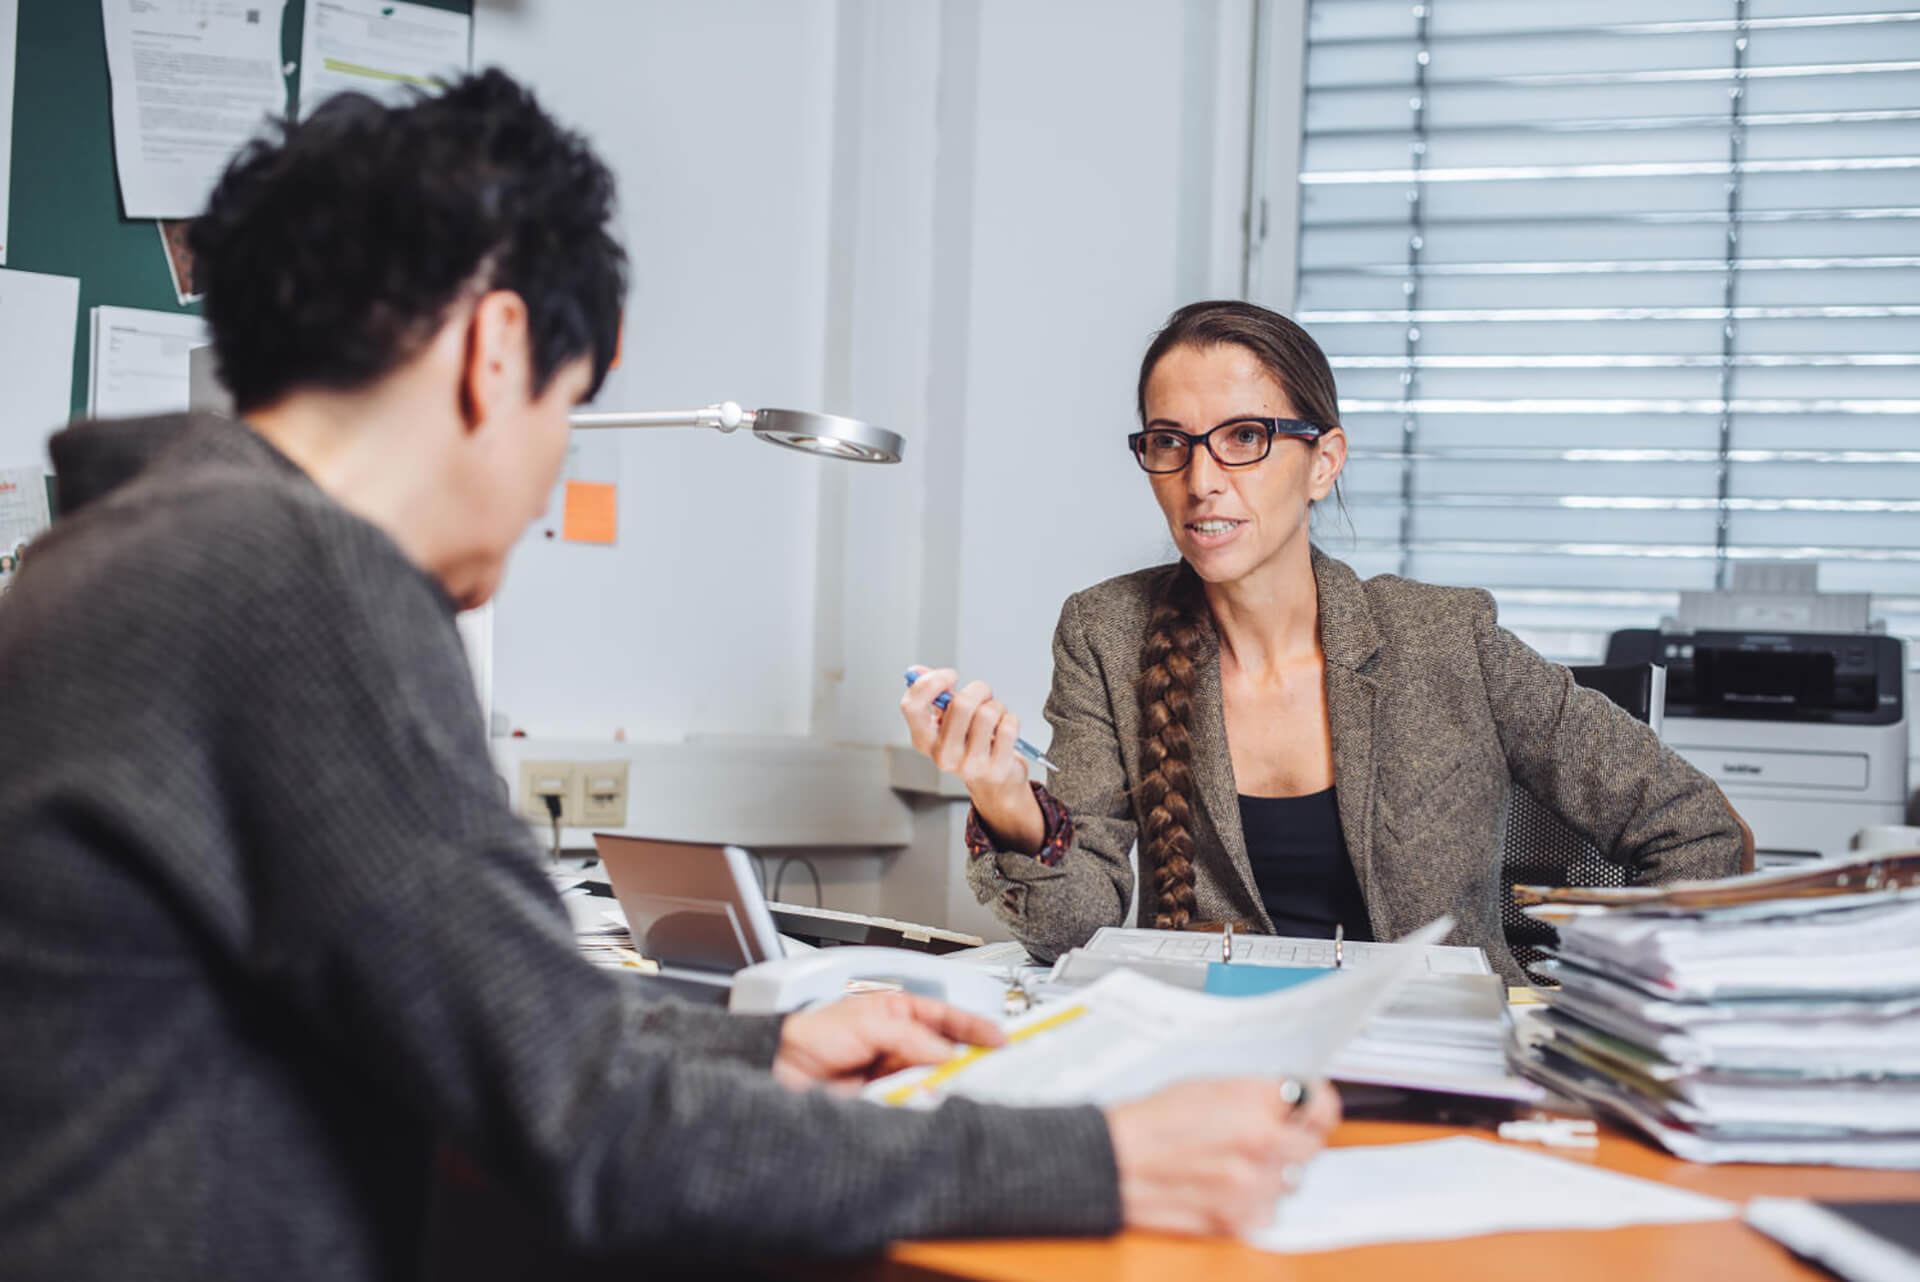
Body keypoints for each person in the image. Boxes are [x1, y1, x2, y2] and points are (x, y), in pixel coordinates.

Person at [0, 77, 1338, 1280]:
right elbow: (591, 1131)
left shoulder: (123, 556)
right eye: (566, 413)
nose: (544, 488)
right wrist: (1102, 1160)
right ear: (498, 349)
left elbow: (470, 1016)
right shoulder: (297, 587)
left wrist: (758, 1048)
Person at [902, 300, 1746, 984]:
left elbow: (1697, 831)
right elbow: (1075, 932)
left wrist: (1621, 1014)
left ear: (1323, 461)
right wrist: (1008, 802)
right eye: (1171, 443)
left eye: (1244, 438)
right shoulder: (1106, 635)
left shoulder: (1447, 639)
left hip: (1435, 1069)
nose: (1201, 481)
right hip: (1212, 1064)